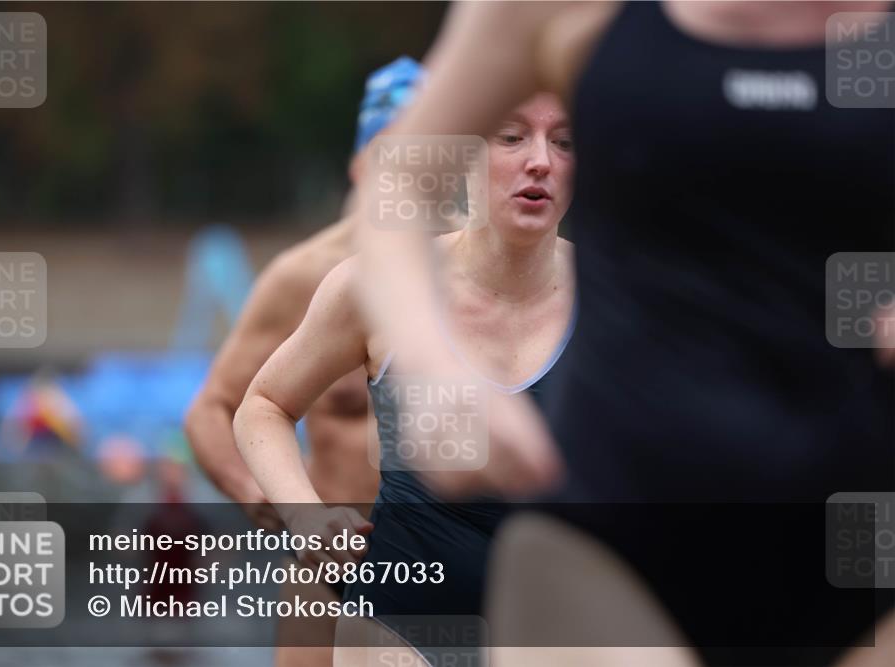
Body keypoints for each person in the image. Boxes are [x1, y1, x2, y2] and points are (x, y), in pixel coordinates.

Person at [351, 2, 894, 666]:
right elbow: (398, 182)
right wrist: (433, 364)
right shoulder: (574, 11)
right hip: (615, 526)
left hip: (861, 535)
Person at [235, 92, 577, 664]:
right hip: (399, 623)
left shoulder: (616, 297)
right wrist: (304, 514)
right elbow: (262, 404)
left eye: (564, 142)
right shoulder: (373, 286)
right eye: (511, 137)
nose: (540, 160)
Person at [183, 56, 425, 667]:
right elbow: (213, 408)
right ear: (359, 164)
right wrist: (264, 496)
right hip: (329, 571)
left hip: (445, 567)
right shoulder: (304, 277)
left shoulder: (476, 277)